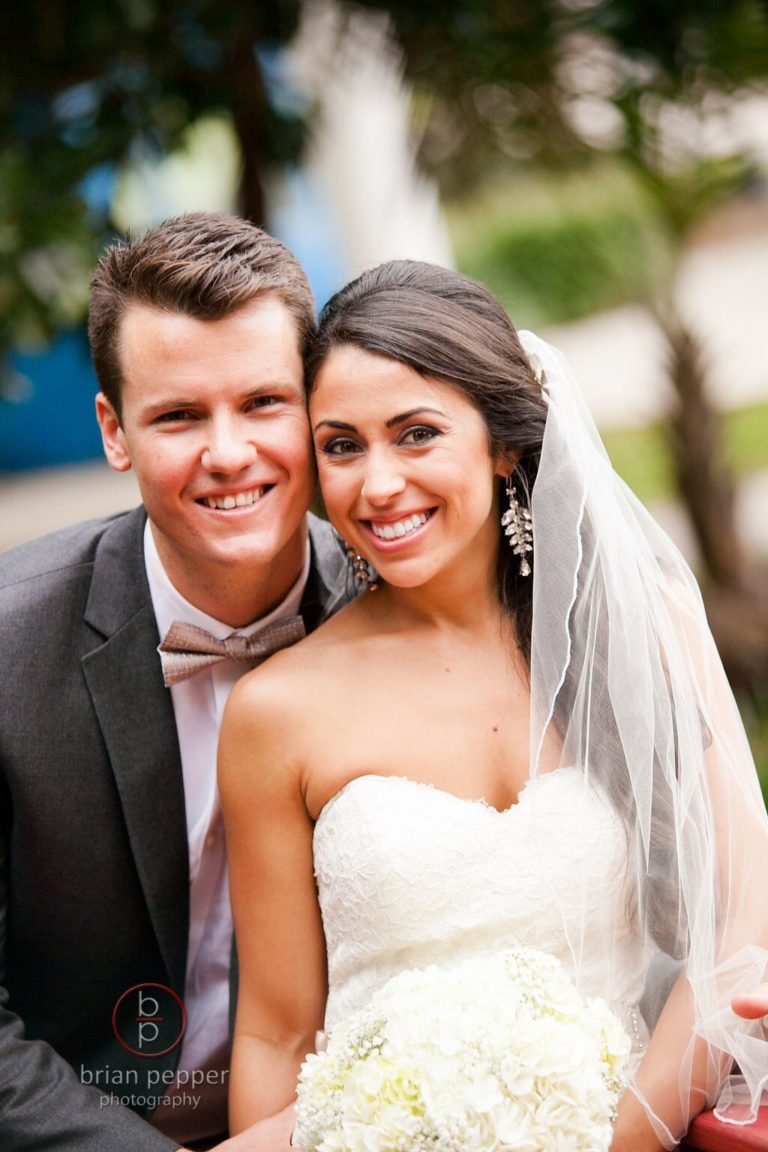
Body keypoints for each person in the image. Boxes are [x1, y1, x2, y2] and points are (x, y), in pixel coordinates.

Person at [219, 259, 768, 1151]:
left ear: (503, 443)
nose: (378, 483)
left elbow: (743, 915)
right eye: (343, 445)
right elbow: (278, 1032)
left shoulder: (642, 630)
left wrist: (627, 1140)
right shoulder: (276, 712)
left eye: (416, 433)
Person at [0, 212, 349, 1152]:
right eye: (180, 415)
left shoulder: (402, 613)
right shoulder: (6, 653)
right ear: (115, 431)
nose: (229, 453)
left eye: (265, 402)